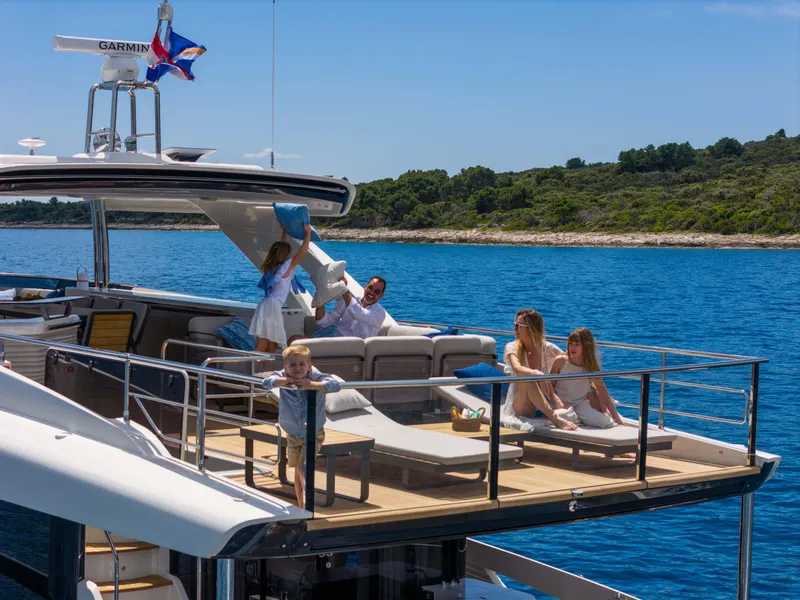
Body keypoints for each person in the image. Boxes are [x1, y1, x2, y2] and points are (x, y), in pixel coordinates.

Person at [262, 345, 342, 508]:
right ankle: (301, 505)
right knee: (298, 473)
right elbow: (266, 382)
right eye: (292, 365)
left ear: (309, 365)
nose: (297, 368)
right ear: (285, 366)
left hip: (313, 432)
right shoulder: (283, 376)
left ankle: (307, 508)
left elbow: (335, 385)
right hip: (292, 433)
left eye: (301, 364)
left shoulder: (316, 377)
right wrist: (284, 381)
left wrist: (312, 385)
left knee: (303, 467)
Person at [502, 308, 578, 430]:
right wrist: (536, 373)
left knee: (566, 412)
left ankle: (553, 415)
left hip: (546, 402)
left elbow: (573, 364)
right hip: (523, 406)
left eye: (518, 325)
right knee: (528, 377)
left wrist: (594, 392)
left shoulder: (548, 349)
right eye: (514, 325)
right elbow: (517, 368)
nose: (514, 329)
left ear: (531, 328)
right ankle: (555, 419)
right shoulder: (512, 347)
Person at [249, 224, 312, 353]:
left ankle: (264, 371)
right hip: (272, 307)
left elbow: (280, 247)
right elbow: (303, 251)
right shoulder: (286, 266)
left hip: (268, 306)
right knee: (262, 347)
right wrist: (308, 234)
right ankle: (244, 369)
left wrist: (285, 232)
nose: (291, 255)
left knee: (271, 347)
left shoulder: (274, 266)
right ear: (285, 255)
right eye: (289, 253)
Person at [549, 327, 623, 427]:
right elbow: (549, 386)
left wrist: (618, 420)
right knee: (559, 415)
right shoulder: (561, 361)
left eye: (577, 344)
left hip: (580, 404)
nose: (572, 347)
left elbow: (603, 391)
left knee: (604, 422)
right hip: (562, 403)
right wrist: (556, 401)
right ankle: (577, 418)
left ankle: (578, 418)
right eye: (571, 343)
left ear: (586, 346)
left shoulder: (590, 366)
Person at [314, 276, 387, 339]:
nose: (372, 292)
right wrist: (320, 298)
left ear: (381, 295)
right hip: (336, 345)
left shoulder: (380, 313)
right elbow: (323, 322)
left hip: (358, 352)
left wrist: (343, 289)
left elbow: (359, 313)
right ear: (365, 287)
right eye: (370, 288)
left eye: (377, 292)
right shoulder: (347, 302)